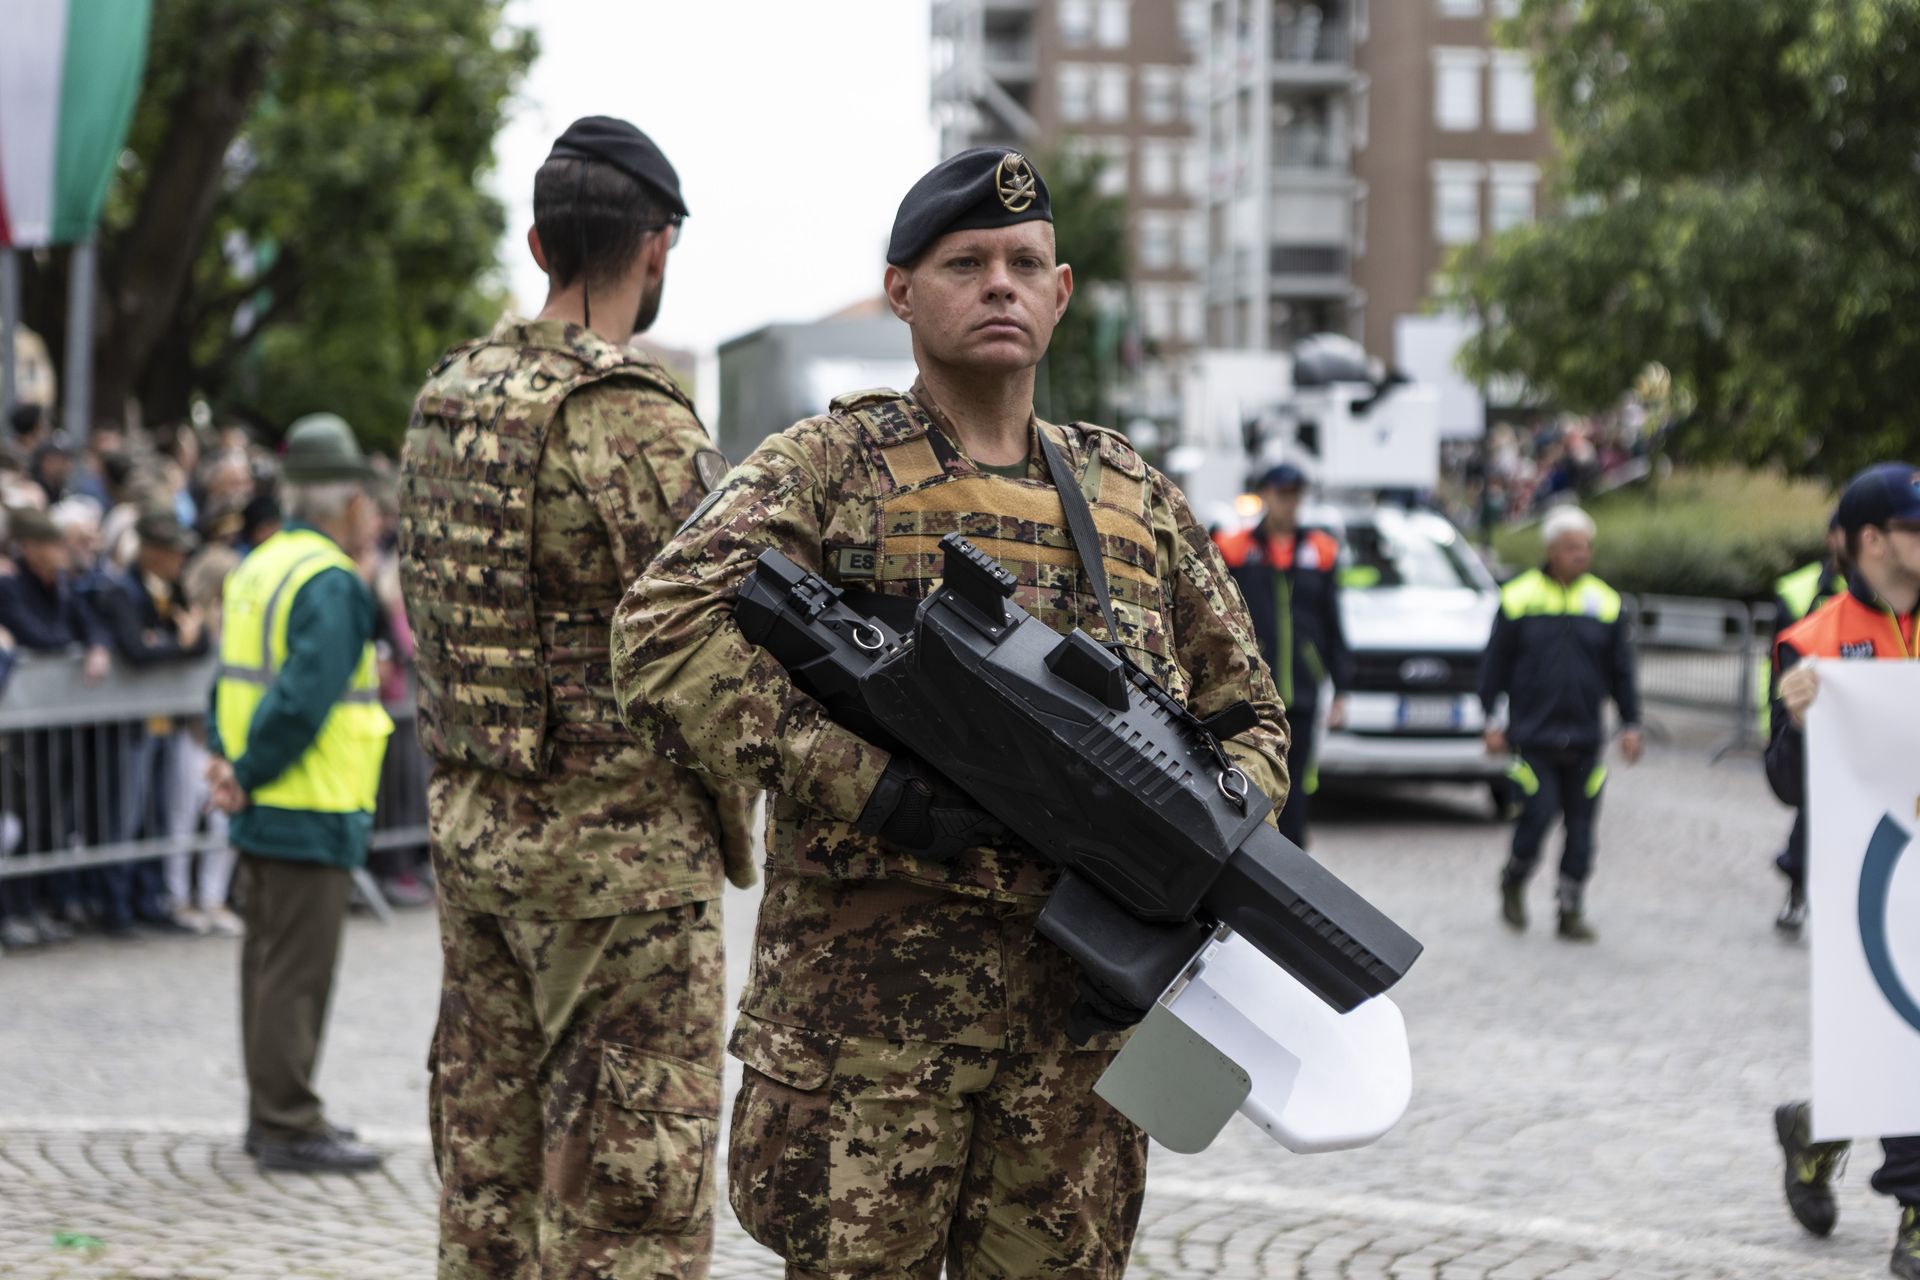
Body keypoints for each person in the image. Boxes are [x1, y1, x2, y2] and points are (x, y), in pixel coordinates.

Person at [611, 147, 1288, 1280]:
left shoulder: (1134, 497)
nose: (1001, 284)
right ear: (901, 291)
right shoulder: (831, 468)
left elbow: (1253, 721)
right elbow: (659, 629)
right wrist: (861, 779)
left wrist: (1185, 829)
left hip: (1077, 1045)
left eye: (1025, 262)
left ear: (1062, 292)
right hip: (870, 1038)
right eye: (965, 262)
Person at [400, 116, 756, 1280]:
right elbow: (722, 652)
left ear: (541, 238)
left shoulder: (443, 400)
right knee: (622, 1203)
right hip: (622, 877)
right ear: (655, 250)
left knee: (488, 1188)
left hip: (476, 840)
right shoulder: (638, 423)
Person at [206, 413, 392, 1174]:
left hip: (267, 804)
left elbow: (231, 683)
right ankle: (286, 1121)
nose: (375, 517)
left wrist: (227, 766)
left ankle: (269, 1113)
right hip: (306, 803)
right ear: (346, 502)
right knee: (294, 975)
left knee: (266, 967)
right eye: (369, 502)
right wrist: (245, 772)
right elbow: (299, 701)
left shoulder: (260, 564)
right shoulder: (331, 582)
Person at [1765, 463, 1920, 1279]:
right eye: (1916, 528)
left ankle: (1817, 1128)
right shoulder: (1809, 642)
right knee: (1900, 1034)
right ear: (1872, 541)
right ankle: (1918, 1211)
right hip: (1869, 876)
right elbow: (1785, 785)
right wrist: (1794, 724)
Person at [1478, 505, 1642, 942]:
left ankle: (1570, 909)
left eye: (1586, 547)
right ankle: (1514, 878)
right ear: (1550, 549)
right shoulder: (1518, 596)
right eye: (1572, 547)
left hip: (1587, 740)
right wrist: (1491, 720)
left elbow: (1622, 670)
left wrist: (1631, 723)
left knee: (1583, 833)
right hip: (1532, 738)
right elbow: (1494, 666)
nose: (1581, 555)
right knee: (1536, 816)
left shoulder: (1605, 602)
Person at [1213, 461, 1351, 846]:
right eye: (1283, 494)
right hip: (1253, 693)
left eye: (1296, 495)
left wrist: (1342, 687)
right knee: (1254, 776)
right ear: (1266, 495)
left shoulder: (1319, 549)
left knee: (1299, 782)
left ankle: (1295, 859)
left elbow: (1333, 622)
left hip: (1304, 690)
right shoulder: (1237, 548)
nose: (1290, 503)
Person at [89, 511, 212, 934]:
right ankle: (117, 906)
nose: (181, 559)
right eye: (175, 551)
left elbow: (201, 644)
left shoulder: (173, 590)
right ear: (154, 552)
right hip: (133, 723)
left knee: (158, 814)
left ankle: (151, 898)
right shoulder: (121, 590)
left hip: (167, 721)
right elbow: (135, 652)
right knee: (126, 815)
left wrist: (170, 644)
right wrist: (178, 643)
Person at [0, 506, 112, 948]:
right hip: (24, 727)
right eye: (51, 544)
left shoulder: (61, 585)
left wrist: (97, 646)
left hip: (55, 726)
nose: (61, 553)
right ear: (28, 548)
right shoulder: (11, 589)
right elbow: (35, 635)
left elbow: (91, 626)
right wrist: (75, 649)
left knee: (49, 818)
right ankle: (15, 908)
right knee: (21, 819)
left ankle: (38, 903)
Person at [1764, 515, 1847, 935]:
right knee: (1809, 808)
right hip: (1814, 722)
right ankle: (1797, 888)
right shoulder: (1797, 591)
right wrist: (1778, 725)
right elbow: (1777, 667)